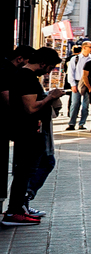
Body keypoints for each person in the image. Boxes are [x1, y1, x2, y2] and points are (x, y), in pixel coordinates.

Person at [1, 46, 57, 226]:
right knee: (25, 171)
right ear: (43, 63)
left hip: (26, 130)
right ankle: (15, 211)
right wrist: (51, 97)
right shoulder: (27, 77)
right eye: (49, 67)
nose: (48, 72)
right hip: (28, 131)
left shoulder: (22, 75)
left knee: (25, 171)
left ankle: (17, 209)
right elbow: (31, 107)